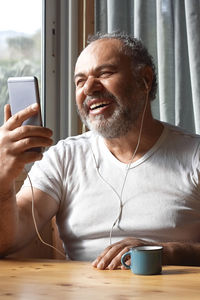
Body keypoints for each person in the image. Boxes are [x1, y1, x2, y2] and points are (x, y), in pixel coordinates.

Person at [0, 32, 200, 269]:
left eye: (104, 73)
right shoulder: (62, 158)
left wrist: (166, 253)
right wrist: (3, 179)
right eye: (80, 81)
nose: (89, 88)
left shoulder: (194, 155)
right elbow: (7, 241)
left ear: (145, 79)